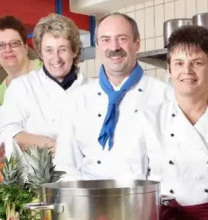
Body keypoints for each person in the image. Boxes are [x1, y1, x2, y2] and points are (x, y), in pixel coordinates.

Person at [134, 26, 208, 220]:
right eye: (179, 63)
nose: (187, 71)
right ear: (169, 70)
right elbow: (136, 186)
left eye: (197, 63)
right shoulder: (148, 120)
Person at [55, 12, 169, 180]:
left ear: (137, 43)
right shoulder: (77, 100)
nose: (114, 47)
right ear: (97, 47)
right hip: (90, 194)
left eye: (122, 38)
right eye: (105, 40)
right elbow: (66, 167)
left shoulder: (164, 96)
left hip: (144, 195)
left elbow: (169, 167)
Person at [0, 13, 85, 153]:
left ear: (74, 51)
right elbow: (5, 132)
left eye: (62, 49)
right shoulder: (22, 87)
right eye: (49, 50)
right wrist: (50, 144)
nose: (56, 58)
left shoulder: (93, 89)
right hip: (36, 166)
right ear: (41, 54)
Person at [0, 15, 42, 105]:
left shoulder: (46, 71)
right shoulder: (2, 93)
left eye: (15, 43)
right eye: (0, 45)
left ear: (26, 47)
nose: (8, 50)